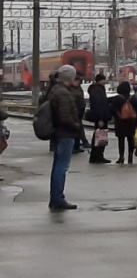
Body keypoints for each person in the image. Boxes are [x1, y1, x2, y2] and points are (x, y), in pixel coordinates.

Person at [46, 65, 86, 211]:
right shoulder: (62, 93)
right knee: (61, 167)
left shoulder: (56, 90)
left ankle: (56, 197)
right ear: (69, 77)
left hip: (60, 134)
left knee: (59, 166)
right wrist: (76, 126)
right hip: (65, 134)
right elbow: (64, 117)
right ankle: (57, 199)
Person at [112, 81, 137, 164]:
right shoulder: (133, 98)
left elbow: (112, 110)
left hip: (120, 121)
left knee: (121, 139)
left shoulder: (117, 99)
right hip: (131, 122)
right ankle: (130, 157)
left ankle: (121, 157)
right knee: (131, 139)